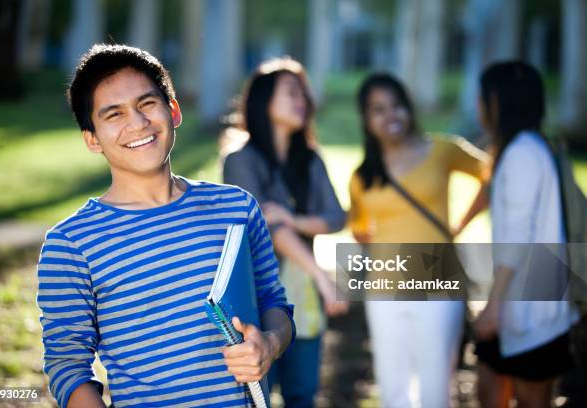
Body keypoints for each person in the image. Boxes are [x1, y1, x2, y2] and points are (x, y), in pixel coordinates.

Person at [36, 44, 295, 408]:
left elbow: (273, 302)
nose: (138, 123)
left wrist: (269, 344)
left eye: (147, 104)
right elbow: (68, 366)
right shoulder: (71, 243)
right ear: (92, 138)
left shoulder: (236, 207)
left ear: (173, 111)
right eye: (114, 114)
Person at [349, 73, 489, 408]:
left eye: (396, 105)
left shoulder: (442, 149)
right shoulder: (362, 176)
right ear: (367, 120)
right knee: (392, 386)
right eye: (378, 109)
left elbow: (493, 175)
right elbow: (359, 229)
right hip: (383, 289)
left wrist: (458, 226)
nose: (390, 115)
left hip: (438, 281)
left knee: (436, 386)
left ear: (408, 108)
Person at [223, 57, 348, 407]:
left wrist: (294, 219)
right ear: (264, 101)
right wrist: (323, 278)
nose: (302, 101)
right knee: (255, 397)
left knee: (301, 395)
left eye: (303, 94)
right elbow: (268, 228)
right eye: (292, 92)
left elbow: (337, 217)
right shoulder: (240, 160)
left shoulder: (310, 159)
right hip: (258, 306)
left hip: (304, 302)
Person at [473, 61, 579, 408]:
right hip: (536, 297)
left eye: (483, 96)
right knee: (498, 382)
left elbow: (517, 237)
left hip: (529, 305)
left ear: (499, 102)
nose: (478, 105)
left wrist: (493, 304)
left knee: (526, 395)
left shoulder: (521, 154)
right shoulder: (532, 147)